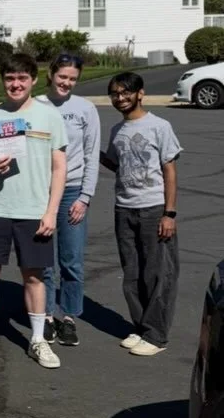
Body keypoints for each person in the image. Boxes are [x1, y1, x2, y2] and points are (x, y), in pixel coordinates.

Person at [0, 54, 67, 369]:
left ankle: (37, 339)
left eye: (22, 78)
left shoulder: (49, 117)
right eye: (10, 78)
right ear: (3, 80)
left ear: (34, 80)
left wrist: (51, 212)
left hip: (34, 209)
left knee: (34, 275)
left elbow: (59, 167)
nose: (16, 84)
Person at [101, 72, 181, 356]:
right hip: (124, 207)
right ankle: (141, 326)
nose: (120, 98)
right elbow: (116, 163)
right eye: (115, 94)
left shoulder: (159, 126)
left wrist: (168, 213)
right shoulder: (117, 131)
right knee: (132, 273)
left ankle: (157, 335)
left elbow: (169, 170)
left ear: (140, 94)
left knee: (158, 273)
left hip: (153, 208)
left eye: (126, 93)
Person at [36, 54, 101, 347]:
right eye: (62, 77)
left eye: (72, 79)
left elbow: (91, 155)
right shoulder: (36, 105)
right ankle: (47, 315)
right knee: (44, 260)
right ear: (51, 74)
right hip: (42, 191)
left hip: (73, 191)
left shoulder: (85, 109)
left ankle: (69, 316)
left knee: (71, 259)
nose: (66, 83)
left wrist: (85, 197)